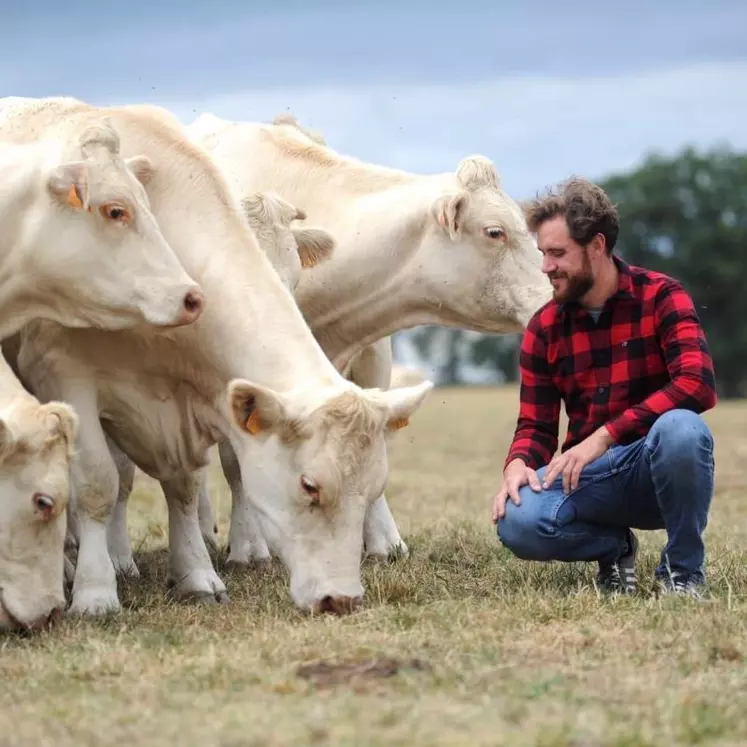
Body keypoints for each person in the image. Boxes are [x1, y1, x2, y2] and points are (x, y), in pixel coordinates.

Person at [492, 177, 717, 598]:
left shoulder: (662, 296)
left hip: (655, 468)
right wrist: (518, 464)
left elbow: (697, 383)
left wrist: (607, 435)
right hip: (586, 478)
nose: (546, 267)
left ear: (597, 245)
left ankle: (683, 574)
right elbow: (536, 425)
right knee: (516, 521)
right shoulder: (543, 327)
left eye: (557, 253)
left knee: (683, 429)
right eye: (543, 254)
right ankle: (615, 548)